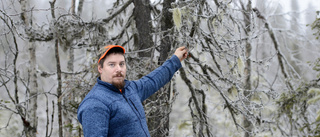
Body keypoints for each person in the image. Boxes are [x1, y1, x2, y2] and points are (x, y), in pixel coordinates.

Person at [77, 45, 188, 137]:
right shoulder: (95, 103)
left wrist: (175, 59)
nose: (118, 69)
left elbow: (153, 80)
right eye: (112, 65)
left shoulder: (130, 89)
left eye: (121, 64)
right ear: (100, 68)